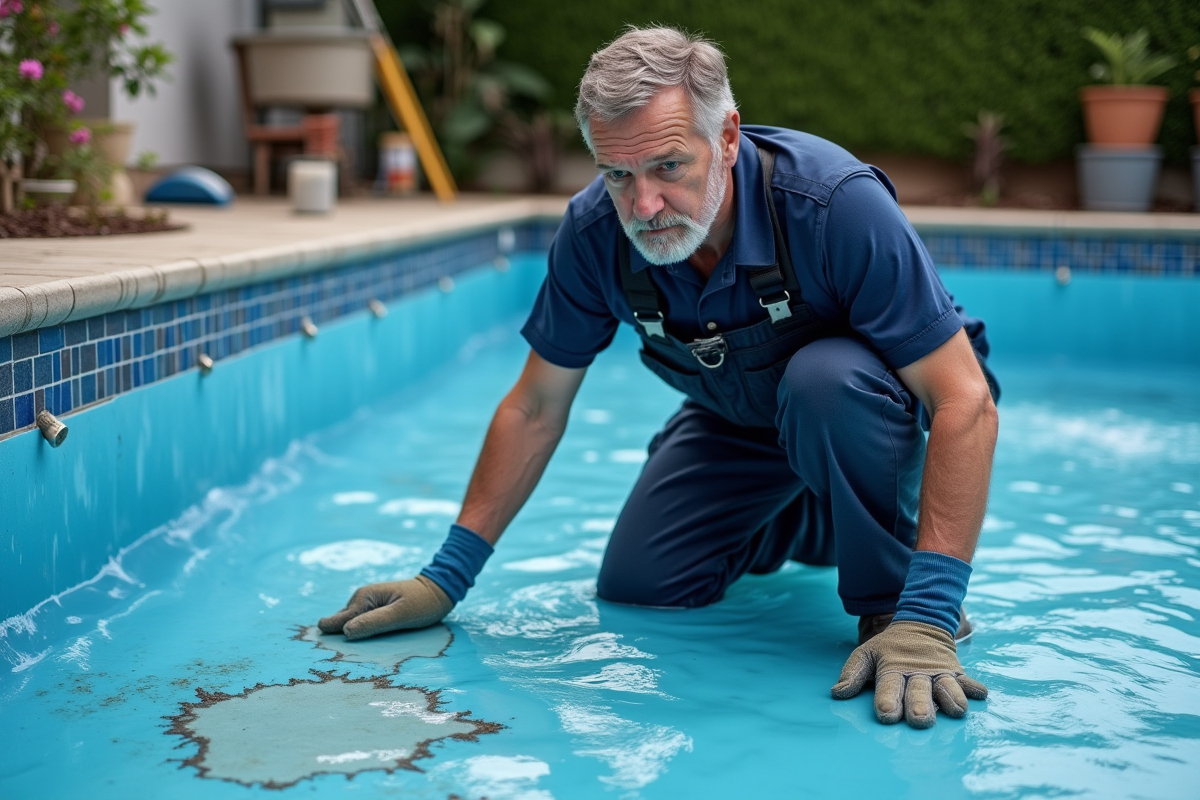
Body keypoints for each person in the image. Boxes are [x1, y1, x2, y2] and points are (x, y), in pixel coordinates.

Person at [319, 26, 999, 730]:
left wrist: (929, 613)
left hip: (873, 414)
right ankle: (818, 514)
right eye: (617, 174)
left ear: (727, 138)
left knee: (826, 380)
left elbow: (965, 399)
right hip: (742, 420)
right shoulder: (594, 234)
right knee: (642, 583)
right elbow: (536, 406)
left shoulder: (832, 204)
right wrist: (444, 577)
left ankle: (893, 599)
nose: (643, 205)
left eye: (668, 166)